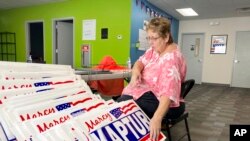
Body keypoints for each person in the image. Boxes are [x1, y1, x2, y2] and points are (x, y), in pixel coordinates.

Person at [116, 17, 187, 141]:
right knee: (123, 105)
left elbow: (168, 93)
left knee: (128, 108)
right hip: (151, 94)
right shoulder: (154, 49)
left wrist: (157, 118)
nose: (150, 42)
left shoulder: (171, 59)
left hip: (167, 104)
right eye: (148, 38)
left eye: (154, 38)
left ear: (166, 37)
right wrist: (136, 71)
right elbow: (139, 62)